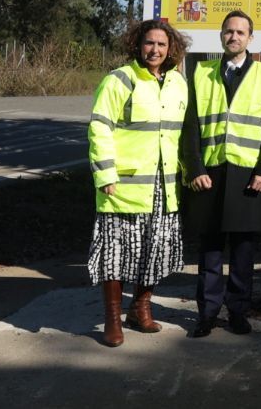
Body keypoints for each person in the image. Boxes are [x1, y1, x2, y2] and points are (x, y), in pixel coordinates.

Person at [87, 19, 190, 347]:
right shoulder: (120, 80)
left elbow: (182, 135)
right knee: (114, 255)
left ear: (171, 48)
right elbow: (99, 128)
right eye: (149, 43)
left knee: (156, 251)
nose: (155, 50)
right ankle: (112, 319)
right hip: (123, 187)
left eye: (161, 44)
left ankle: (140, 309)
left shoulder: (178, 83)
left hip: (164, 187)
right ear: (138, 45)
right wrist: (105, 174)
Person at [182, 10, 261, 338]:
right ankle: (207, 313)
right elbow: (191, 127)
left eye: (241, 32)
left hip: (249, 176)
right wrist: (194, 168)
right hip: (210, 174)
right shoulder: (201, 73)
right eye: (229, 31)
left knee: (243, 251)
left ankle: (238, 311)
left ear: (250, 39)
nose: (234, 37)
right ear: (221, 35)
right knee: (210, 250)